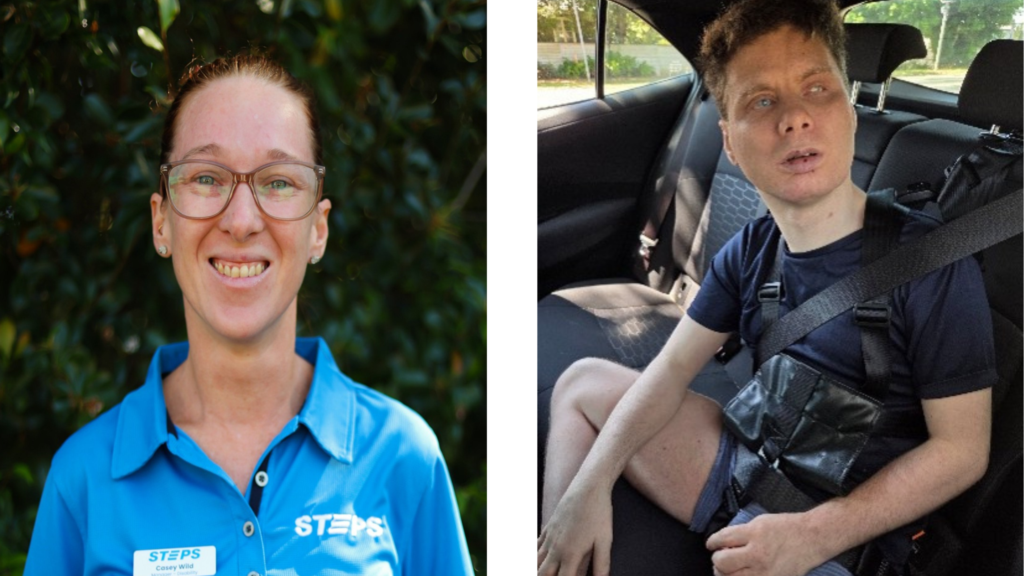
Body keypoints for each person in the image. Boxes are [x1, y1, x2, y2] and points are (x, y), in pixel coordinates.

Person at [537, 1, 995, 575]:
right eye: (761, 101)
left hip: (846, 527)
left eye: (817, 89)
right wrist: (586, 490)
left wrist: (811, 535)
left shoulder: (930, 263)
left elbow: (961, 452)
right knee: (580, 382)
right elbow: (670, 371)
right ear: (729, 142)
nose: (795, 118)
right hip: (747, 459)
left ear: (850, 112)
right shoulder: (752, 249)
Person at [24, 55, 473, 576]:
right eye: (206, 177)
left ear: (318, 229)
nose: (241, 221)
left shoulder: (403, 456)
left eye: (278, 182)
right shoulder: (83, 478)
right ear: (161, 222)